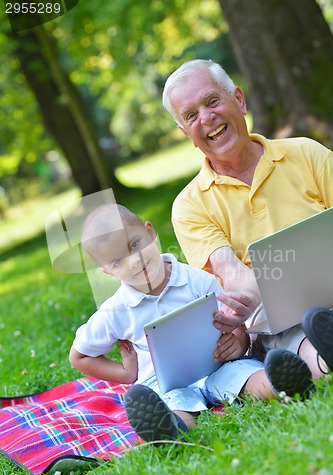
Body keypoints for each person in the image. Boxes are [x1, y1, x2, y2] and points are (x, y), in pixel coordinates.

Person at [69, 203, 312, 444]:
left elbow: (233, 322)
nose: (134, 261)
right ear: (107, 272)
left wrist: (238, 341)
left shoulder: (194, 279)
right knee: (173, 410)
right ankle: (169, 431)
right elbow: (78, 356)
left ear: (150, 232)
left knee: (252, 378)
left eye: (135, 244)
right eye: (118, 261)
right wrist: (125, 373)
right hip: (165, 384)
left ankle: (284, 383)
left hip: (217, 365)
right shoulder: (115, 311)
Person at [163, 59, 333, 380]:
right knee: (306, 341)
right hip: (282, 317)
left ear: (239, 100)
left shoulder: (306, 153)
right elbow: (232, 272)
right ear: (185, 131)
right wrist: (246, 301)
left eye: (212, 101)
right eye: (191, 116)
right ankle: (326, 355)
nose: (206, 118)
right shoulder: (189, 206)